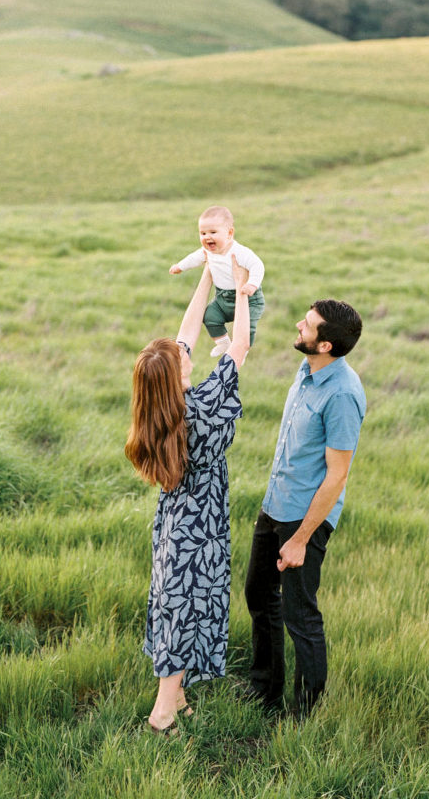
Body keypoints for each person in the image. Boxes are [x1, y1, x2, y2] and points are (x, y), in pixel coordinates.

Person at [126, 256, 251, 734]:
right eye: (181, 356)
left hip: (173, 524)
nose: (187, 351)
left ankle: (176, 698)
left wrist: (210, 271)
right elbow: (238, 346)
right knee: (188, 610)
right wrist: (239, 287)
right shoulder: (201, 408)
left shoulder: (156, 412)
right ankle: (162, 713)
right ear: (177, 374)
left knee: (172, 603)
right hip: (202, 528)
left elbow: (188, 327)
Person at [244, 299, 366, 717]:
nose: (299, 325)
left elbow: (337, 476)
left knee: (301, 616)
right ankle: (265, 690)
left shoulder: (343, 394)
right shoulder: (307, 370)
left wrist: (300, 539)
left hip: (304, 519)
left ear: (326, 344)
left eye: (309, 325)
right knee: (259, 595)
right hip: (276, 505)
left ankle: (304, 715)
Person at [169, 205, 265, 357]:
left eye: (213, 232)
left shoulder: (239, 252)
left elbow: (257, 265)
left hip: (248, 298)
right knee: (209, 316)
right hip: (222, 297)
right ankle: (223, 342)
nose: (207, 237)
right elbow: (193, 258)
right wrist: (180, 266)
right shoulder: (207, 251)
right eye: (203, 233)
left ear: (229, 233)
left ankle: (242, 351)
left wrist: (252, 284)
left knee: (247, 327)